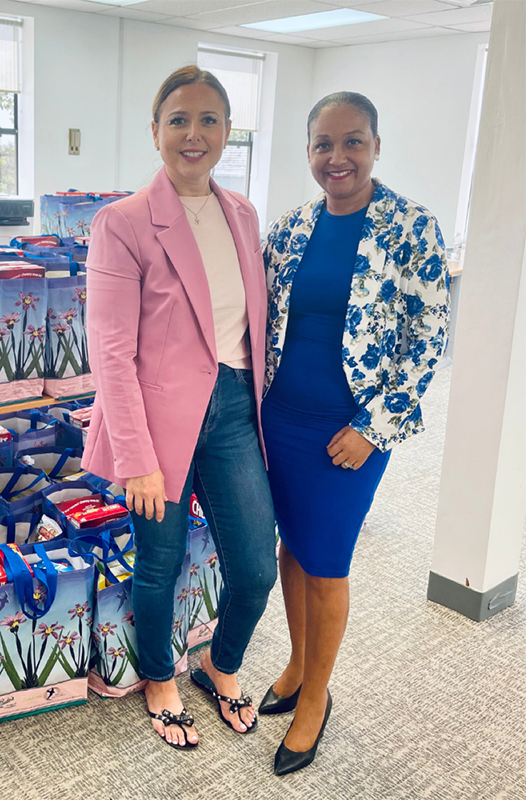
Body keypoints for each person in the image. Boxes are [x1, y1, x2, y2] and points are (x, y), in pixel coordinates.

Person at [81, 65, 277, 750]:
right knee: (159, 564)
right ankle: (159, 677)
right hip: (158, 422)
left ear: (228, 131)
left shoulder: (242, 213)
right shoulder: (123, 222)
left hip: (233, 409)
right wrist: (136, 457)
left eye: (209, 120)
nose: (194, 134)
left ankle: (219, 664)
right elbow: (111, 351)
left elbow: (252, 326)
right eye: (179, 120)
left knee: (256, 567)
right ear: (156, 131)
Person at [260, 92, 450, 775]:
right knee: (291, 547)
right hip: (279, 418)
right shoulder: (290, 228)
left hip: (350, 434)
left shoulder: (411, 227)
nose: (337, 157)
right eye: (323, 144)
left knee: (327, 561)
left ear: (375, 146)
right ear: (308, 150)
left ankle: (316, 696)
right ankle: (295, 664)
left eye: (353, 142)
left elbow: (429, 335)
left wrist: (375, 428)